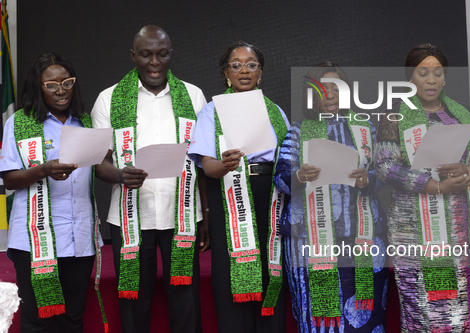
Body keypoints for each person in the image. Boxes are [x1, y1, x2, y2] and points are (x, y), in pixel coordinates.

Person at [91, 25, 208, 333]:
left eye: (162, 54)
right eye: (146, 54)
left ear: (171, 55)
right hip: (130, 218)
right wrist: (120, 174)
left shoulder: (193, 96)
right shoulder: (108, 99)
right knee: (133, 302)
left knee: (186, 302)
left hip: (180, 214)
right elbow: (98, 163)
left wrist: (205, 214)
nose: (154, 62)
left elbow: (203, 159)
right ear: (133, 56)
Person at [374, 44, 470, 332]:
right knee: (423, 305)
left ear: (445, 78)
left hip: (462, 231)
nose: (431, 79)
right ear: (410, 78)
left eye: (437, 73)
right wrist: (433, 185)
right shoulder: (394, 115)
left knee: (463, 304)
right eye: (423, 72)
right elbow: (384, 166)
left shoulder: (463, 113)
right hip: (414, 231)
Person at [274, 62, 389, 332]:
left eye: (337, 88)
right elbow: (281, 179)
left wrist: (368, 179)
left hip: (363, 240)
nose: (331, 95)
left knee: (366, 317)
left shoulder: (366, 129)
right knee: (320, 320)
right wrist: (300, 176)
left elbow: (385, 173)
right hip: (311, 242)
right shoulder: (298, 131)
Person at [188, 41, 289, 333]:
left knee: (272, 273)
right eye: (236, 65)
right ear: (226, 73)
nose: (244, 70)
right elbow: (207, 167)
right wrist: (226, 163)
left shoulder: (276, 112)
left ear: (260, 72)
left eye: (251, 64)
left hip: (271, 198)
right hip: (230, 199)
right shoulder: (211, 112)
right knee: (232, 277)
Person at [0, 54, 102, 332]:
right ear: (37, 86)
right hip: (35, 238)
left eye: (67, 83)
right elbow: (9, 179)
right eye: (51, 85)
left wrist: (125, 174)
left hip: (79, 237)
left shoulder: (84, 121)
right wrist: (43, 170)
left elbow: (100, 166)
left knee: (72, 318)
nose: (61, 91)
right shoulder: (19, 123)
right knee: (38, 321)